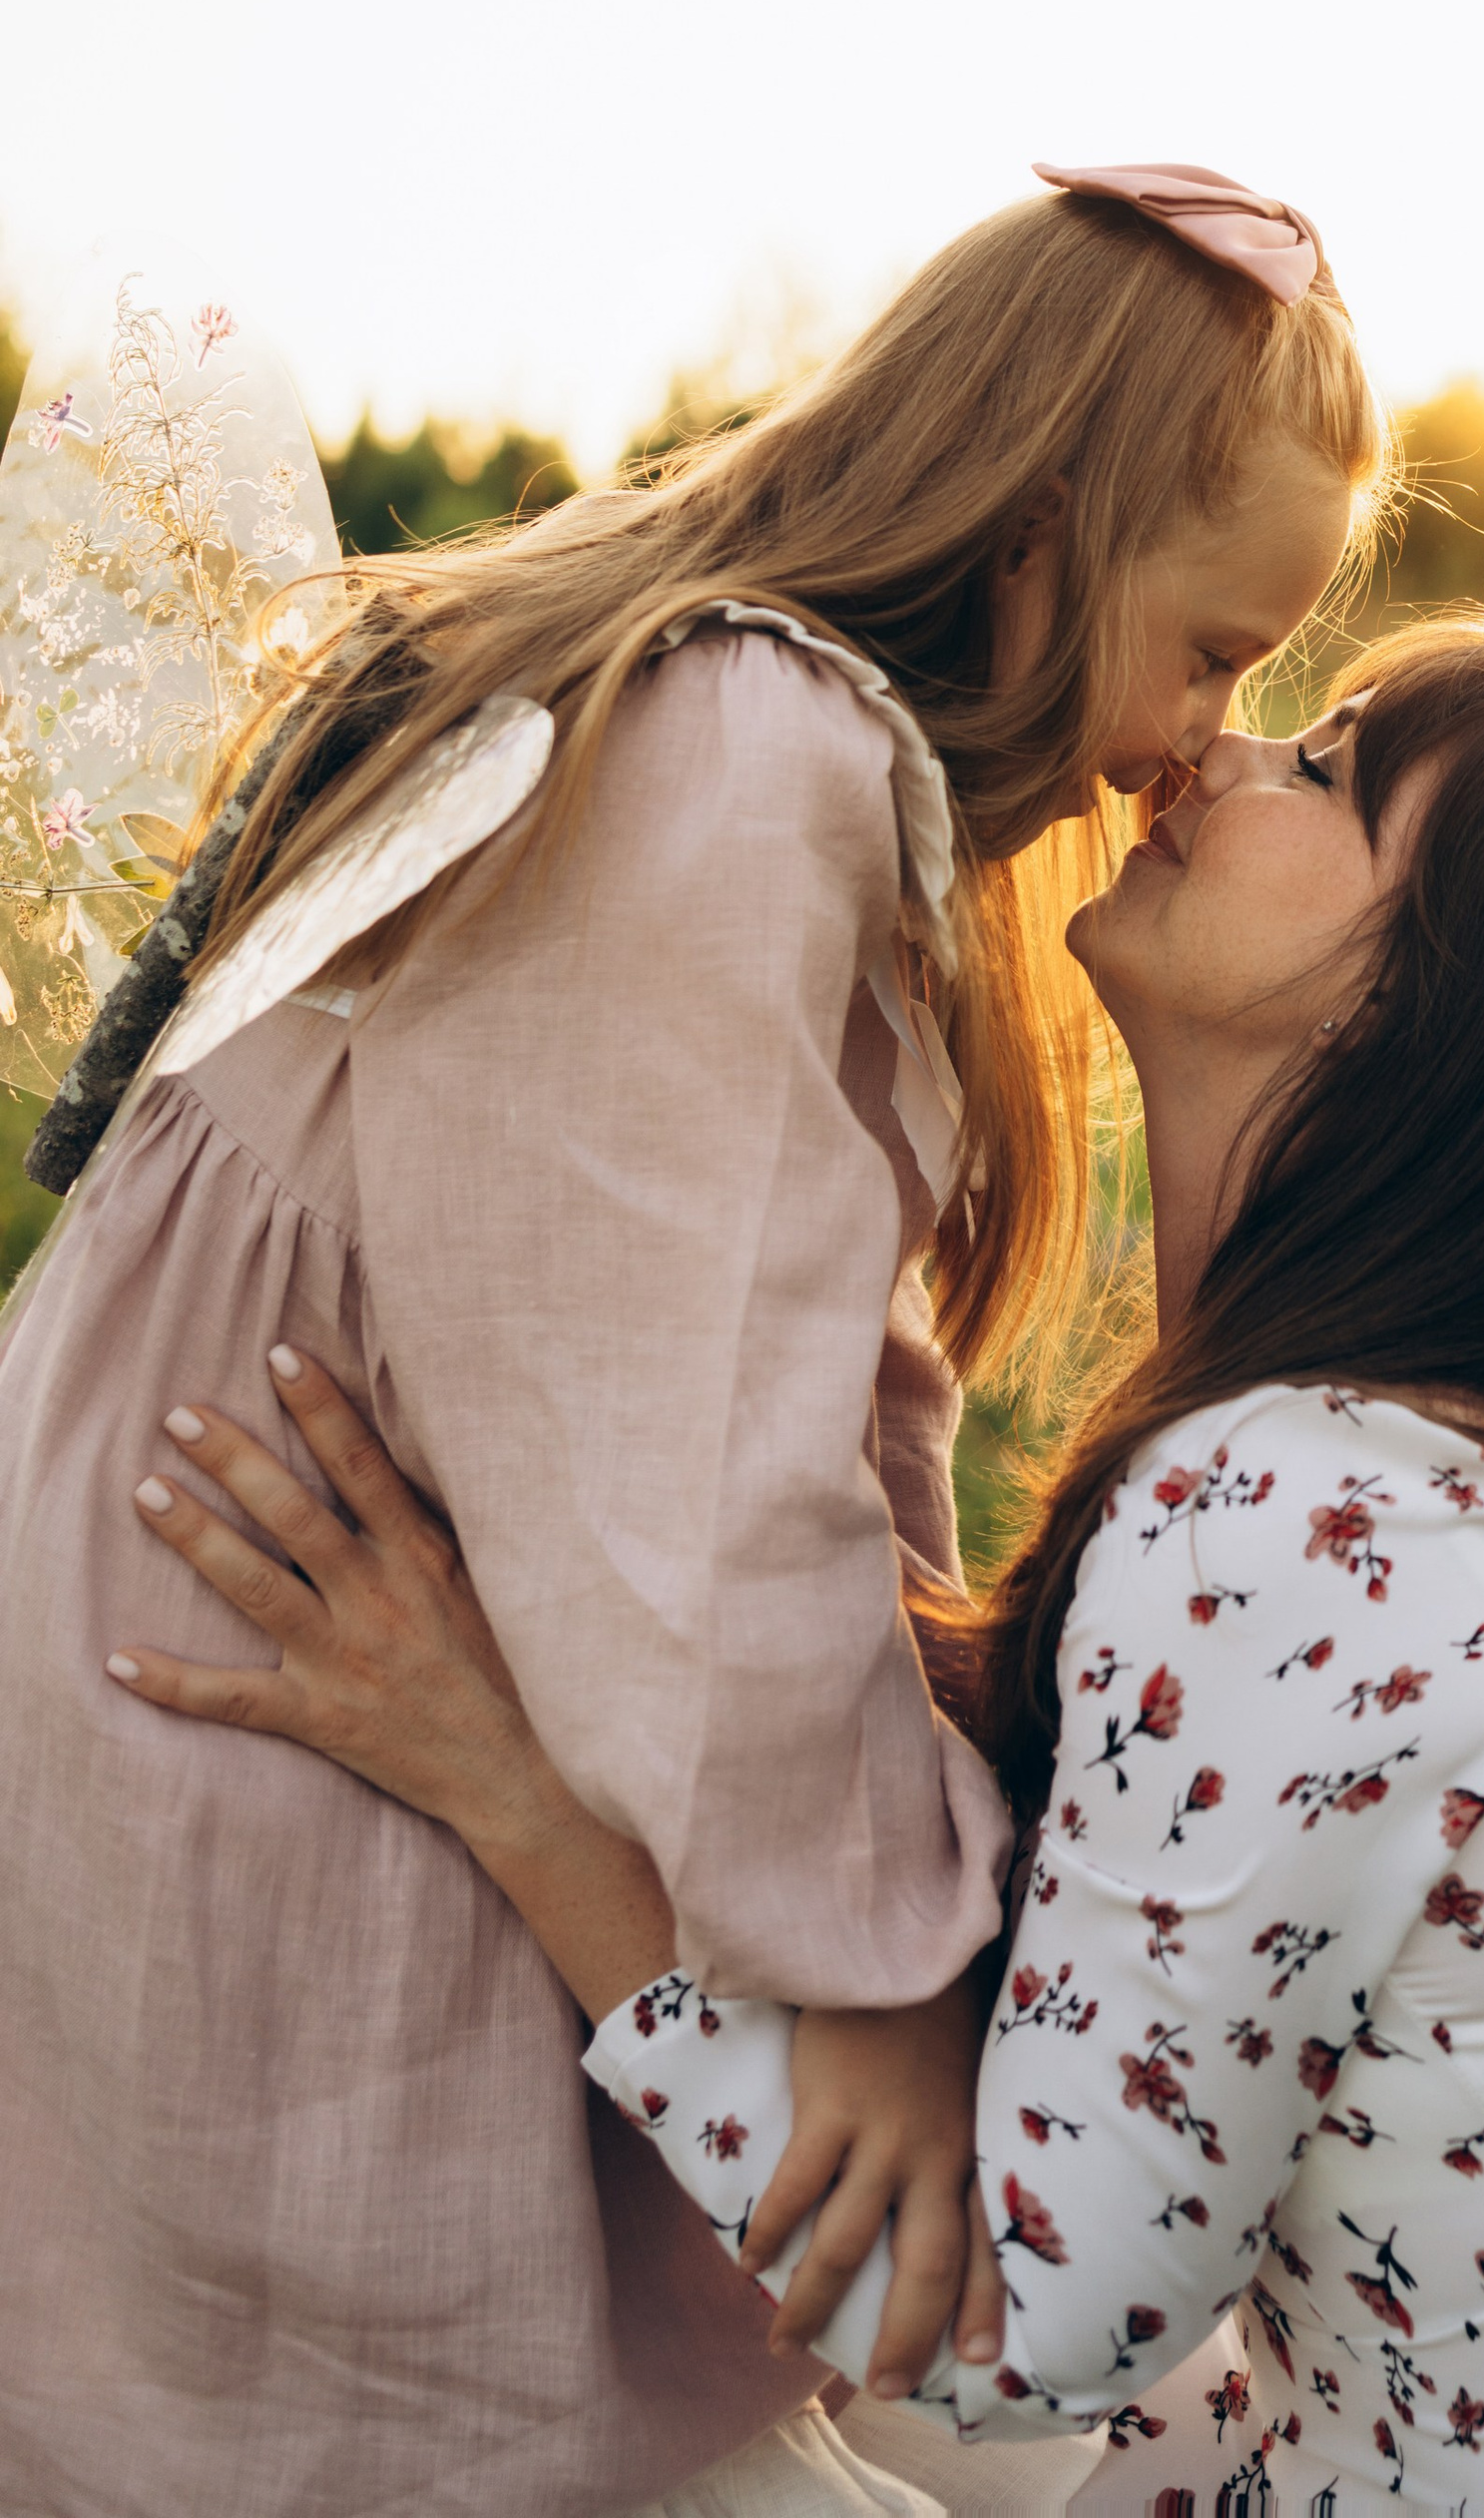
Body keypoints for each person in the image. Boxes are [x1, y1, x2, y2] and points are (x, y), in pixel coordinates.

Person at [120, 624, 1484, 2513]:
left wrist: (505, 1783)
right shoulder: (1396, 1462)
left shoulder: (1297, 1517)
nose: (1226, 759)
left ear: (1422, 1015)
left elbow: (1025, 2329)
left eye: (1334, 774)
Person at [0, 163, 1382, 2518]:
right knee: (429, 2398)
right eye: (1212, 652)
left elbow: (814, 1386)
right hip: (276, 1651)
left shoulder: (724, 717)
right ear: (1039, 531)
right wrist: (875, 1963)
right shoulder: (747, 757)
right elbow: (699, 1495)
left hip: (279, 1598)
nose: (1186, 745)